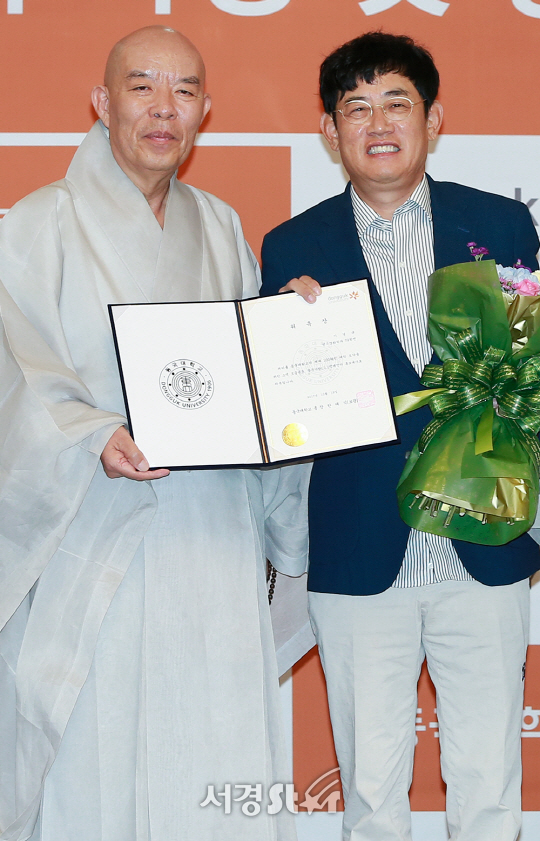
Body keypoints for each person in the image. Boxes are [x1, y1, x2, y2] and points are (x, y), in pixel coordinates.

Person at [0, 26, 309, 841]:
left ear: (206, 109)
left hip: (210, 538)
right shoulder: (37, 226)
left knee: (215, 739)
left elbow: (252, 385)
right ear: (102, 103)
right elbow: (17, 373)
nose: (162, 109)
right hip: (93, 530)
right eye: (141, 87)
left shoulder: (220, 228)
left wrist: (297, 339)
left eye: (182, 91)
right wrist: (90, 431)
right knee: (94, 756)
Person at [261, 31, 540, 841]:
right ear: (328, 132)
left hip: (481, 545)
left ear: (434, 117)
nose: (377, 122)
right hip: (357, 552)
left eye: (396, 102)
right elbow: (280, 416)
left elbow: (529, 380)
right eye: (355, 107)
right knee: (372, 795)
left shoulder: (502, 228)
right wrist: (288, 330)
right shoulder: (292, 248)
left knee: (489, 784)